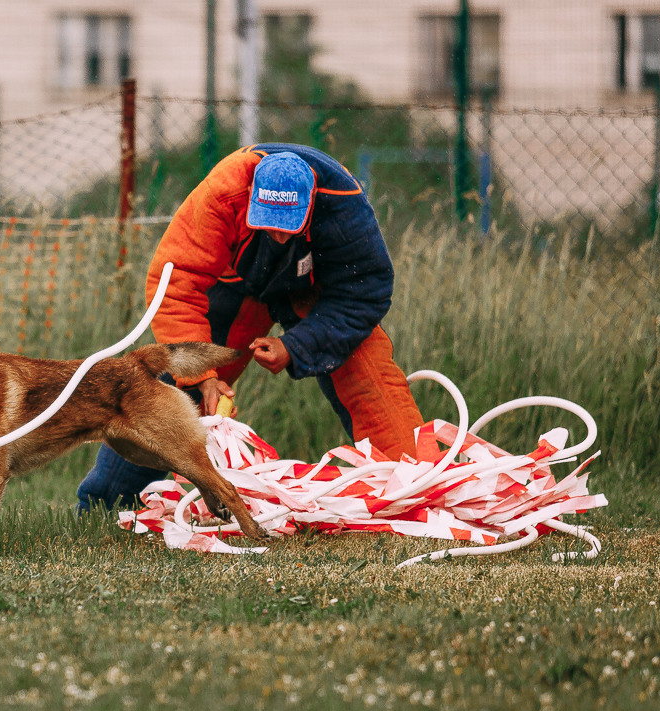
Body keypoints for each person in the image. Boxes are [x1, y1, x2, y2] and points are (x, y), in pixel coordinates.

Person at [77, 142, 424, 511]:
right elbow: (176, 280)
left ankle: (419, 492)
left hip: (321, 298)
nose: (277, 236)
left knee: (371, 383)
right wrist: (201, 374)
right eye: (267, 224)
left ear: (310, 205)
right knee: (179, 393)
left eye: (288, 227)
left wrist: (297, 346)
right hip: (237, 285)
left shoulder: (344, 203)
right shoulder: (223, 191)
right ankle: (105, 503)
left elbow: (365, 292)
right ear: (251, 197)